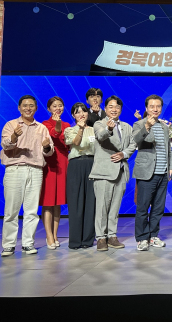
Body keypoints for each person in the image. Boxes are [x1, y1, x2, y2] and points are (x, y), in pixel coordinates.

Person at [0, 95, 54, 257]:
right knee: (11, 210)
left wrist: (46, 147)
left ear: (36, 108)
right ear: (19, 108)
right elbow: (5, 145)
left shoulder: (42, 128)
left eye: (31, 106)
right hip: (15, 169)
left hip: (35, 170)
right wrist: (14, 136)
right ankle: (9, 245)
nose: (28, 108)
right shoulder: (11, 125)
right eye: (25, 105)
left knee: (31, 210)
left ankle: (28, 243)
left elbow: (49, 151)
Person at [90, 95, 136, 251]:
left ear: (121, 109)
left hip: (121, 171)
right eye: (111, 106)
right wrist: (109, 129)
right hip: (104, 171)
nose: (114, 109)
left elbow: (133, 144)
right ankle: (101, 238)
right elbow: (100, 136)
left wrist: (124, 154)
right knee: (102, 207)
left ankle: (112, 236)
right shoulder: (99, 123)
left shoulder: (127, 126)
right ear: (105, 108)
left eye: (117, 107)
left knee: (115, 207)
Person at [132, 95, 172, 251]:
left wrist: (171, 166)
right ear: (146, 108)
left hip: (163, 173)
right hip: (146, 172)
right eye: (152, 106)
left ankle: (153, 235)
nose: (155, 109)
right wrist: (147, 127)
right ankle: (142, 238)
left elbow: (168, 148)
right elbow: (137, 139)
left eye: (158, 106)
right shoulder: (139, 124)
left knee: (158, 207)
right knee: (143, 207)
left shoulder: (164, 126)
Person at [65, 102, 96, 250]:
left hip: (92, 164)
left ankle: (88, 240)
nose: (81, 114)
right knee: (75, 202)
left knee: (91, 202)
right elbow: (76, 143)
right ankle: (75, 240)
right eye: (77, 112)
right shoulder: (70, 130)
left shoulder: (95, 130)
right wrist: (81, 129)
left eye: (83, 111)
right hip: (76, 165)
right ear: (73, 115)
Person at [40, 96, 70, 249]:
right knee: (48, 202)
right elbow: (55, 134)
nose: (58, 108)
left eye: (60, 105)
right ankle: (49, 236)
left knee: (58, 202)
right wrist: (57, 124)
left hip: (63, 163)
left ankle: (55, 234)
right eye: (54, 106)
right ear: (49, 109)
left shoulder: (67, 125)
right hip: (50, 164)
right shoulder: (45, 124)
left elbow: (68, 143)